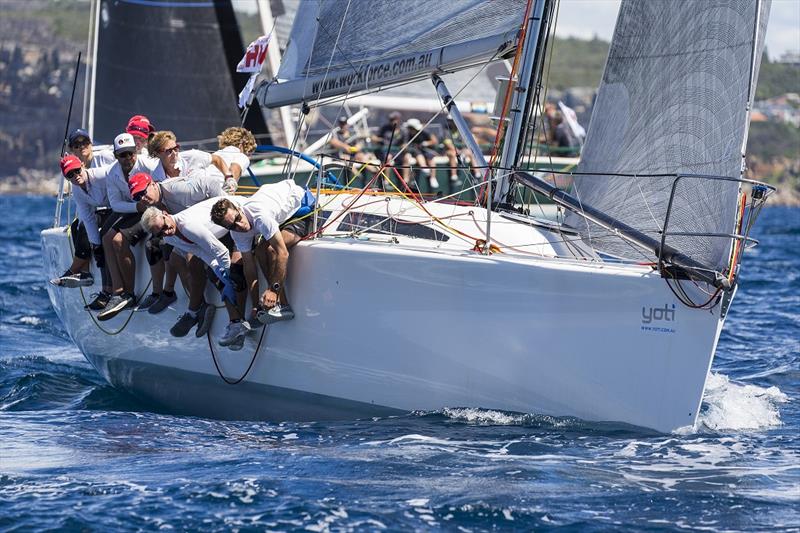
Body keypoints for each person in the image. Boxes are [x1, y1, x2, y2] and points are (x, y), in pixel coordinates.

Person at [140, 199, 249, 348]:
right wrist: (218, 270)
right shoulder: (169, 238)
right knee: (215, 274)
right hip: (218, 235)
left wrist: (227, 278)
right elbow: (200, 252)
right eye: (160, 232)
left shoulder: (188, 226)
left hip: (239, 219)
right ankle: (234, 324)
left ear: (165, 214)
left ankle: (238, 323)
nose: (166, 231)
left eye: (165, 226)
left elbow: (221, 251)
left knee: (234, 276)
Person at [210, 179, 314, 327]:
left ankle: (283, 305)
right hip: (280, 215)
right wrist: (254, 305)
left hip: (301, 207)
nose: (240, 226)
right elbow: (249, 267)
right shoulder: (237, 232)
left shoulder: (259, 215)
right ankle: (269, 305)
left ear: (239, 209)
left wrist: (273, 290)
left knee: (272, 250)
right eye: (232, 226)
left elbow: (283, 254)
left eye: (238, 219)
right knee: (259, 251)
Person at [129, 170, 226, 314]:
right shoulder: (154, 202)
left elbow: (211, 184)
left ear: (154, 184)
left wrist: (222, 214)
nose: (142, 198)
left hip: (215, 225)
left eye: (143, 192)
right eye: (137, 196)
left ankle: (201, 308)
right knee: (172, 256)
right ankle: (194, 304)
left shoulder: (177, 190)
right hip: (190, 230)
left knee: (192, 261)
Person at [94, 133, 160, 321]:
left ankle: (129, 294)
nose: (128, 158)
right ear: (116, 156)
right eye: (122, 155)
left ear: (136, 151)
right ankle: (117, 291)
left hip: (152, 209)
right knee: (106, 237)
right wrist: (136, 206)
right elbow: (115, 203)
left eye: (130, 153)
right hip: (135, 209)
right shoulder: (112, 173)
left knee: (117, 239)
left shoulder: (147, 165)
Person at [49, 155, 113, 311]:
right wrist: (95, 245)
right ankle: (84, 272)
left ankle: (107, 292)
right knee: (79, 225)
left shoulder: (102, 175)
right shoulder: (77, 190)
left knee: (106, 239)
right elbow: (88, 218)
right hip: (110, 210)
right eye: (70, 175)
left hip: (124, 207)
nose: (75, 176)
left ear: (83, 166)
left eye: (77, 171)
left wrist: (99, 243)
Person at [327, 117, 373, 185]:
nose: (343, 126)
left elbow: (359, 144)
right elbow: (333, 142)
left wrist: (356, 148)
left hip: (353, 154)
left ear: (347, 124)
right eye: (341, 124)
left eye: (344, 124)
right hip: (341, 156)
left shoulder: (352, 134)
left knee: (362, 156)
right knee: (347, 159)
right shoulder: (336, 134)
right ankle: (358, 176)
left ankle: (374, 172)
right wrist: (345, 146)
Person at [211, 127, 256, 193]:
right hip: (215, 192)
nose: (248, 156)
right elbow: (235, 169)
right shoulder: (241, 156)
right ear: (241, 145)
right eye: (248, 152)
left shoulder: (215, 154)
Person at [403, 118, 440, 190]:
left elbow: (434, 141)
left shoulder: (424, 132)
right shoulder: (406, 134)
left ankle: (432, 177)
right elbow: (404, 145)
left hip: (425, 151)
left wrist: (426, 143)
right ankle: (423, 167)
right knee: (416, 154)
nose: (411, 130)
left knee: (431, 159)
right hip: (414, 152)